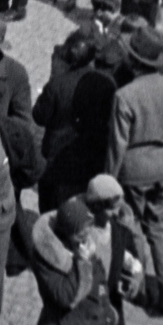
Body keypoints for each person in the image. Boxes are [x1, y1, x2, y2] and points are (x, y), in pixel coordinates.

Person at [105, 28, 163, 314]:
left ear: (133, 61)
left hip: (133, 171)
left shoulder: (125, 95)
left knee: (133, 227)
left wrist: (109, 180)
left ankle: (140, 288)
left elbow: (117, 145)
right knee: (161, 226)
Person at [33, 34, 117, 213]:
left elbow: (39, 116)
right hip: (92, 161)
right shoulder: (107, 83)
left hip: (57, 160)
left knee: (50, 209)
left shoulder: (57, 84)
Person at [28, 197, 118, 325]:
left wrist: (107, 310)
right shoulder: (48, 259)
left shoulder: (85, 244)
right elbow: (66, 297)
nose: (86, 236)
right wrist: (83, 262)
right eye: (80, 233)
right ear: (66, 232)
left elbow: (100, 281)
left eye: (88, 229)